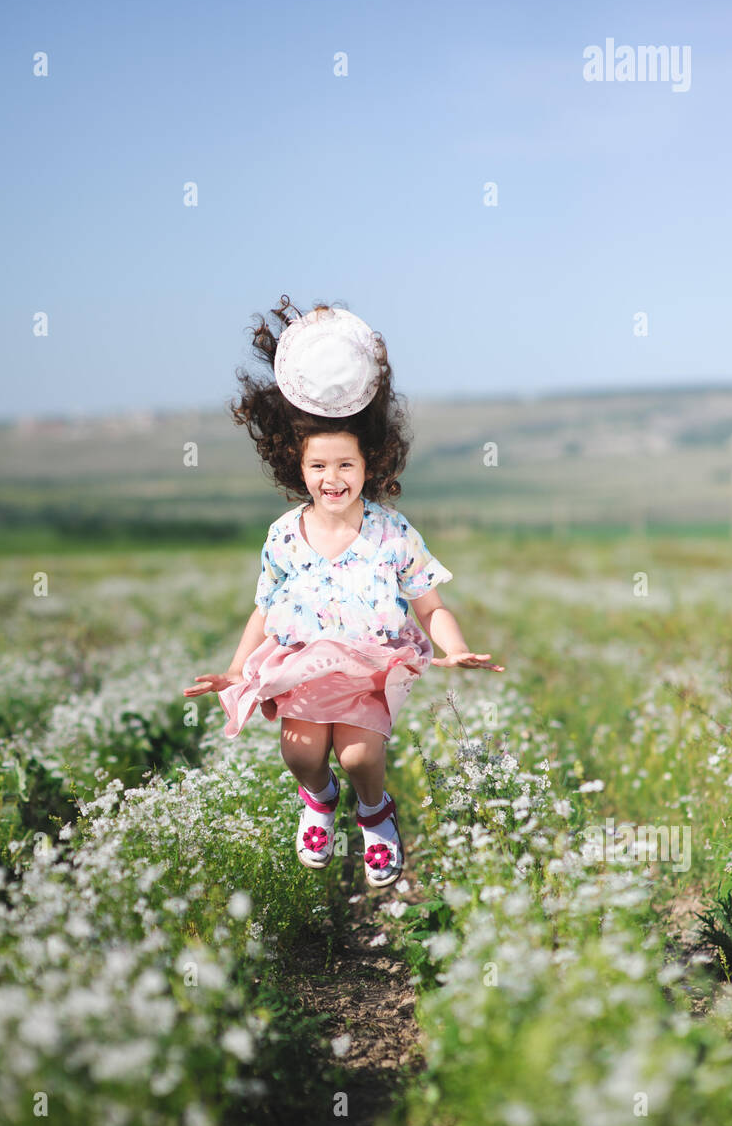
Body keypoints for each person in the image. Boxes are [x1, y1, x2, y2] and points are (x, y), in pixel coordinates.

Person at [184, 296, 504, 889]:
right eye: (318, 468)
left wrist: (456, 650)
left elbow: (430, 604)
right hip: (302, 666)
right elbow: (265, 609)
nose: (332, 480)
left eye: (346, 466)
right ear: (296, 470)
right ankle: (319, 798)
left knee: (360, 757)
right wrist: (235, 671)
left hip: (369, 665)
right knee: (303, 753)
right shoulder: (284, 536)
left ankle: (375, 813)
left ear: (370, 464)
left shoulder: (391, 531)